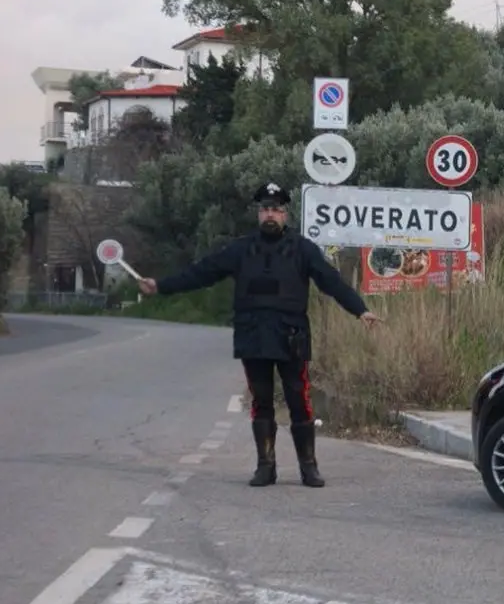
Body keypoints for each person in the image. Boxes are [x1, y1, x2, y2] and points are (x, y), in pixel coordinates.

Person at [137, 181, 381, 488]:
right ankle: (265, 466)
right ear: (258, 213)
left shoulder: (303, 249)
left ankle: (309, 467)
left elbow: (331, 282)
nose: (270, 215)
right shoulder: (241, 249)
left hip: (291, 336)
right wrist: (161, 286)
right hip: (253, 335)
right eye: (265, 209)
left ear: (285, 215)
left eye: (276, 210)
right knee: (261, 400)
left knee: (299, 400)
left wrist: (360, 310)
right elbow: (202, 272)